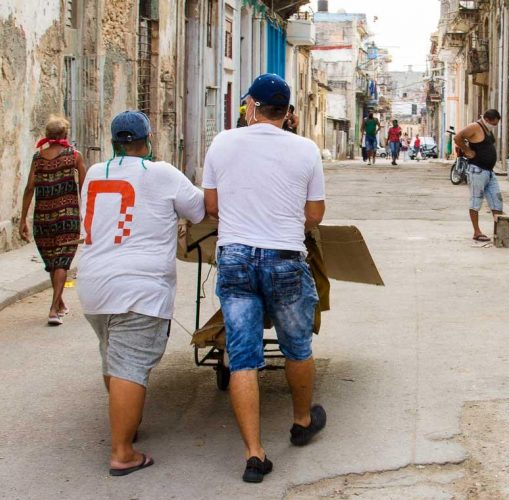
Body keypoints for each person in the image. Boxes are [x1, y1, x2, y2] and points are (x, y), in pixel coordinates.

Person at [202, 74, 327, 484]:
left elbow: (211, 205)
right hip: (285, 257)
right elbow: (315, 215)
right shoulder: (306, 149)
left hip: (235, 257)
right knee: (296, 346)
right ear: (288, 112)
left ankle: (254, 453)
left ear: (251, 106)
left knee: (242, 355)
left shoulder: (223, 142)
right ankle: (302, 420)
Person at [78, 111, 205, 477]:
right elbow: (199, 210)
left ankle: (125, 425)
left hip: (93, 284)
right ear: (147, 140)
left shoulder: (94, 173)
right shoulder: (160, 172)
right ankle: (122, 452)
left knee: (112, 358)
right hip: (139, 287)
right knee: (130, 366)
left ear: (114, 140)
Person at [19, 115, 86, 326]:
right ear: (65, 135)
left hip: (43, 218)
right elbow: (85, 186)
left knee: (53, 261)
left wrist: (23, 219)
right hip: (67, 217)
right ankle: (53, 309)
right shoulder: (74, 156)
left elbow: (30, 188)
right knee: (61, 261)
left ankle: (60, 304)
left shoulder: (38, 158)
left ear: (47, 136)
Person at [454, 109, 502, 242]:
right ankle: (477, 231)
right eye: (494, 123)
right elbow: (457, 137)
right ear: (486, 120)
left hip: (489, 172)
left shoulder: (487, 129)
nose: (494, 126)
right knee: (476, 200)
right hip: (477, 170)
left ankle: (500, 232)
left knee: (496, 201)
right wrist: (467, 150)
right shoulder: (474, 127)